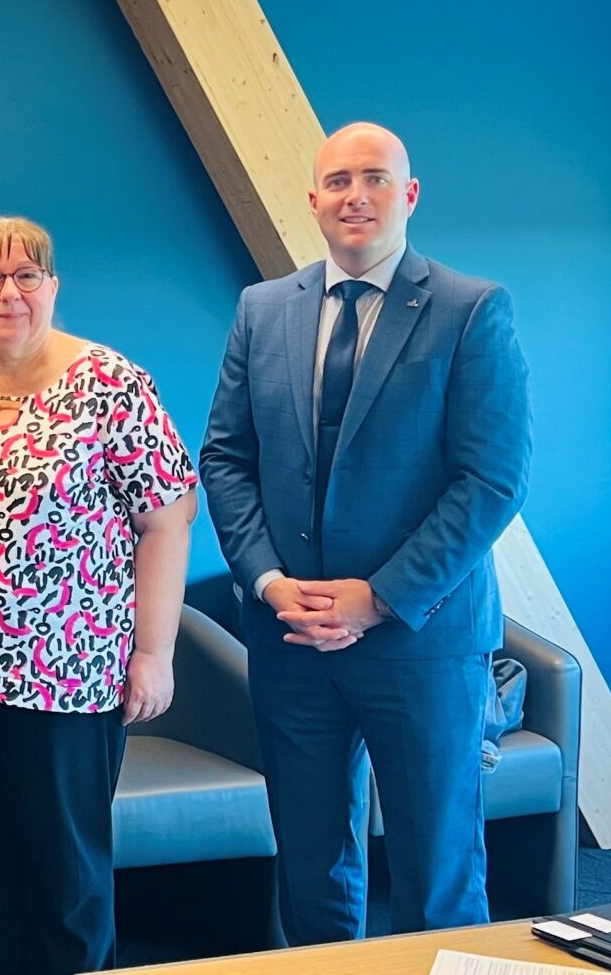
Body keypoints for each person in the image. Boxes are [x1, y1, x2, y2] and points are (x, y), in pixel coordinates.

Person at [200, 122, 532, 942]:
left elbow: (492, 479)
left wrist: (378, 598)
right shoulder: (263, 309)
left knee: (438, 869)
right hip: (290, 639)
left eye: (376, 178)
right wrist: (271, 583)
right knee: (312, 866)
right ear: (313, 200)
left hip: (421, 642)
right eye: (339, 180)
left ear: (408, 194)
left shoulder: (471, 309)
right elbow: (225, 458)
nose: (357, 195)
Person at [0, 216, 198, 974]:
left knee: (64, 885)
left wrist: (155, 652)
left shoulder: (110, 382)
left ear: (53, 286)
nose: (9, 292)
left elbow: (169, 518)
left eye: (27, 275)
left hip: (67, 685)